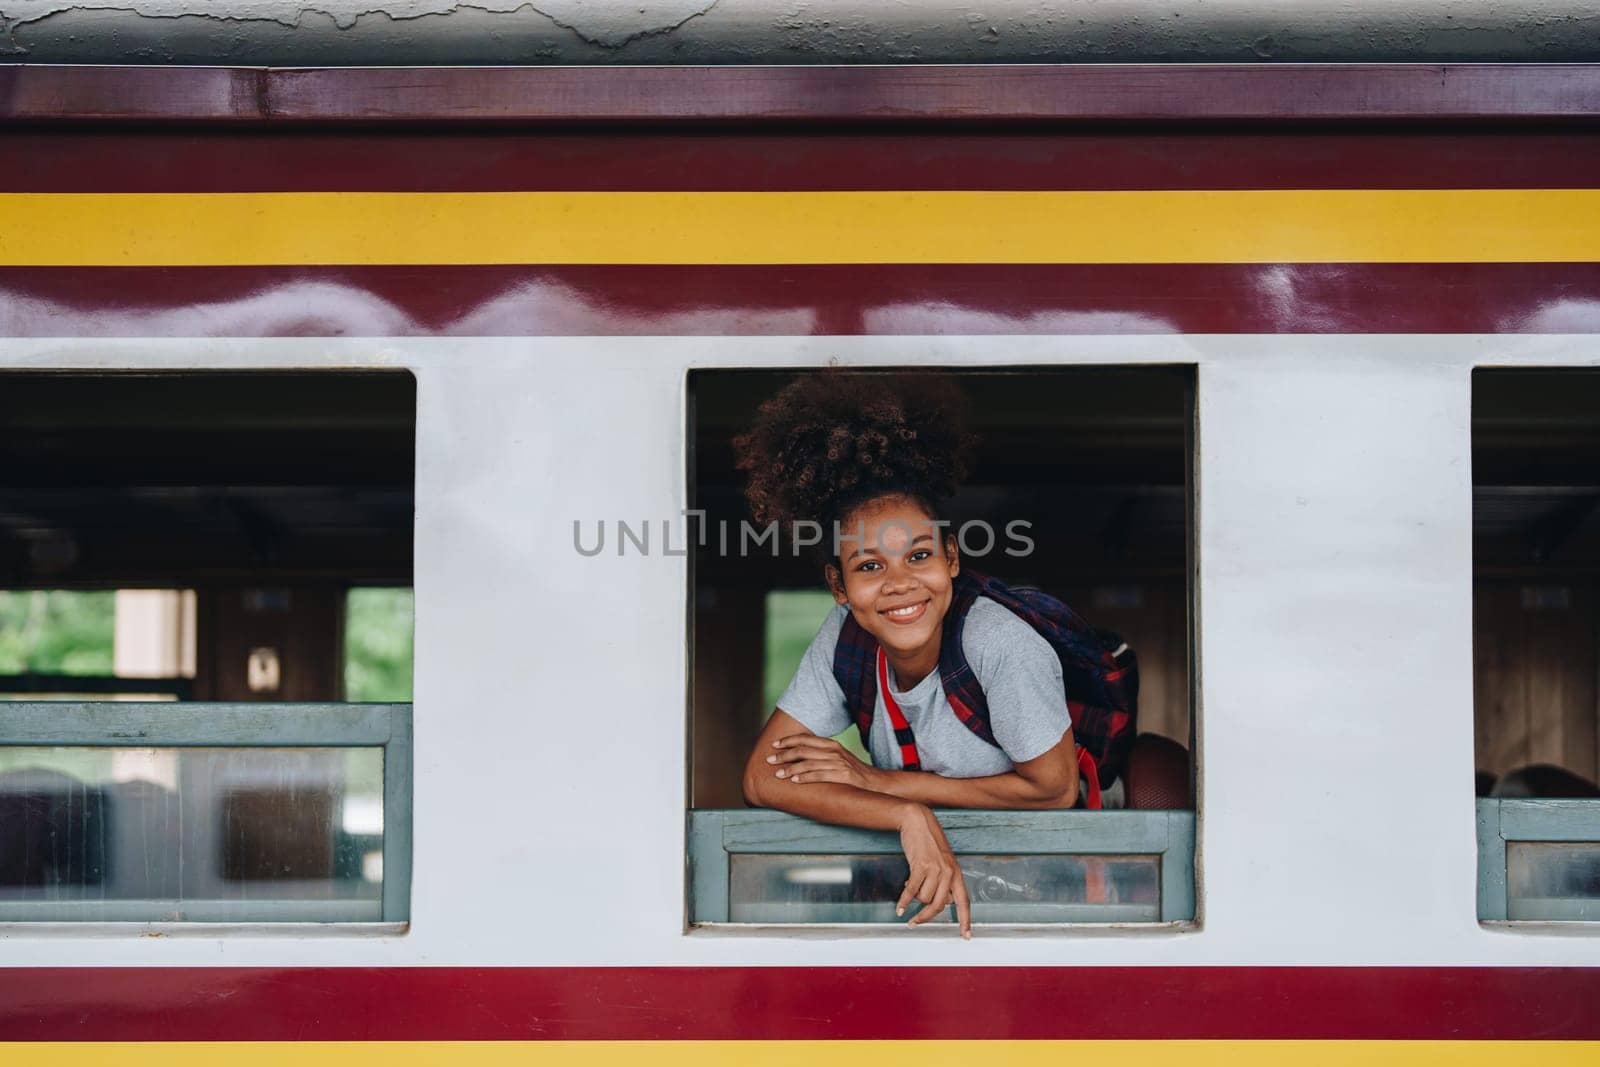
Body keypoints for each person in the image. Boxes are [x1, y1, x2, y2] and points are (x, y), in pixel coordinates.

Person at [735, 373, 1085, 939]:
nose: (899, 585)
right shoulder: (845, 635)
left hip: (1054, 883)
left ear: (950, 558)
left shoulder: (998, 642)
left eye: (917, 555)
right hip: (922, 880)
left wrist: (879, 783)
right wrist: (904, 815)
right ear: (840, 587)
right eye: (870, 566)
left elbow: (1054, 789)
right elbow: (762, 778)